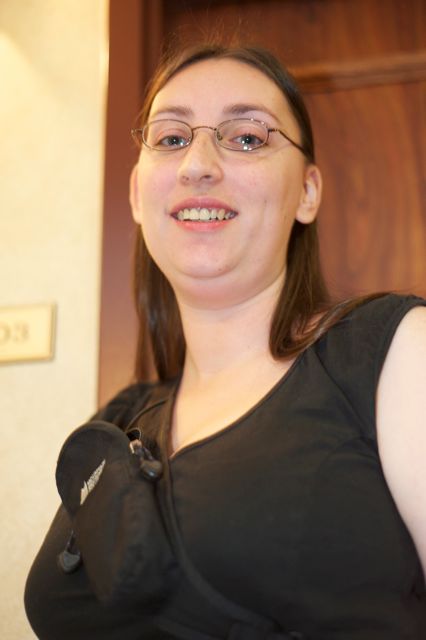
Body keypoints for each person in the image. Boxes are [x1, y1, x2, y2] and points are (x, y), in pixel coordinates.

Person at [25, 42, 426, 639]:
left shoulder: (392, 351)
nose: (198, 164)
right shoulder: (121, 419)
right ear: (137, 195)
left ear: (308, 192)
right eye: (170, 138)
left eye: (247, 138)